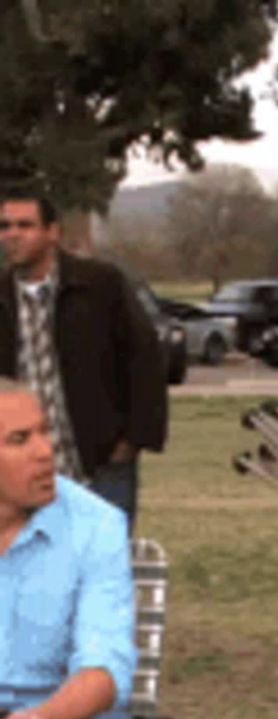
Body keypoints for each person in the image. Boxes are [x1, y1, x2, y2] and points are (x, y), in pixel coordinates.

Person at [0, 191, 168, 530]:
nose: (12, 235)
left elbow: (144, 358)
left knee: (101, 568)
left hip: (99, 463)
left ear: (52, 231)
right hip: (22, 468)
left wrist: (131, 440)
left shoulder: (100, 285)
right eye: (5, 226)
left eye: (25, 225)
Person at [0, 378, 137, 719]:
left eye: (44, 432)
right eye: (20, 439)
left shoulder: (96, 525)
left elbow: (103, 668)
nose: (45, 452)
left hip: (61, 715)